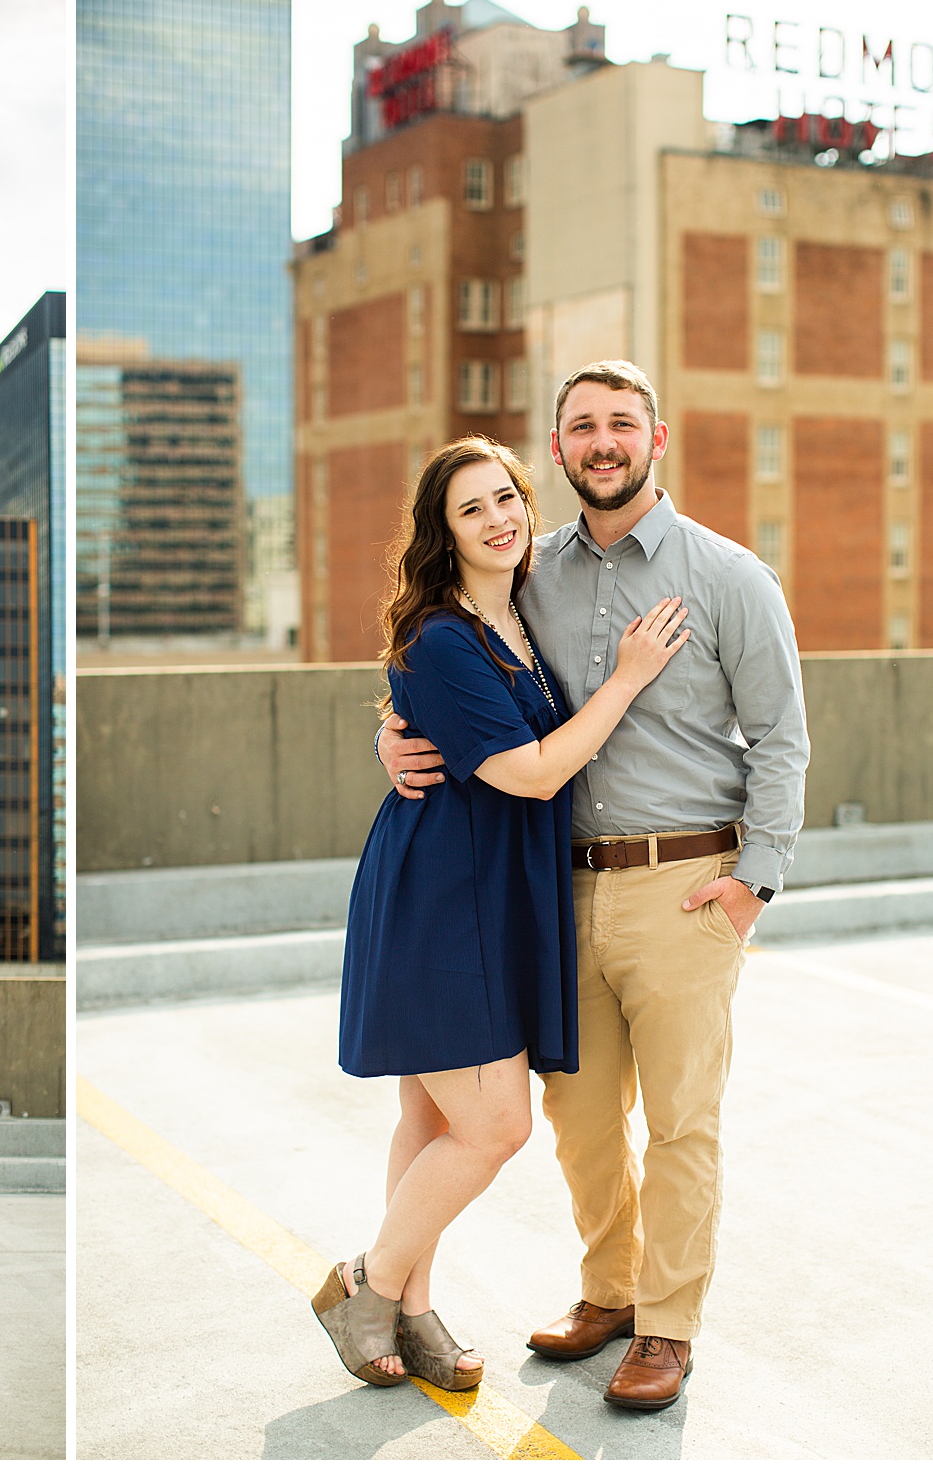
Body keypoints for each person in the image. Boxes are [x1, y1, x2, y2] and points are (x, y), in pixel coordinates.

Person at [378, 361, 808, 1412]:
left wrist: (755, 879)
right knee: (574, 1117)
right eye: (581, 426)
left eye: (621, 423)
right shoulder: (533, 570)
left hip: (684, 887)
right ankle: (609, 1291)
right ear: (558, 451)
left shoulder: (726, 576)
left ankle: (666, 1326)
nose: (601, 440)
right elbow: (456, 664)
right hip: (559, 892)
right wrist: (391, 734)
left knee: (678, 1124)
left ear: (655, 439)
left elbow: (782, 740)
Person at [315, 435, 691, 1392]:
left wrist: (390, 732)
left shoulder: (516, 616)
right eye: (471, 509)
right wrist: (627, 677)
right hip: (446, 902)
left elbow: (440, 722)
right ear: (444, 534)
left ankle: (408, 1310)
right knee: (492, 1127)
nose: (499, 519)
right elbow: (527, 773)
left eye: (507, 499)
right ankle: (367, 1278)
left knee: (427, 1116)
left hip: (489, 890)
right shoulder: (444, 633)